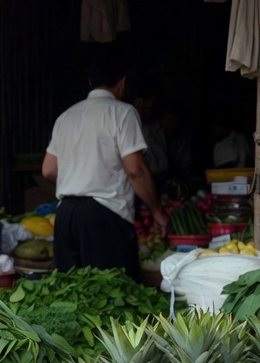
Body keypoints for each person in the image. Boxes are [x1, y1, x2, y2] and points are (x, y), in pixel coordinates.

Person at [41, 53, 168, 281]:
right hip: (103, 215)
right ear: (123, 82)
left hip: (65, 215)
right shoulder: (123, 113)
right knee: (112, 292)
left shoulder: (66, 117)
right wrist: (157, 211)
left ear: (90, 83)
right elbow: (135, 170)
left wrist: (81, 173)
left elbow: (48, 169)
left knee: (70, 290)